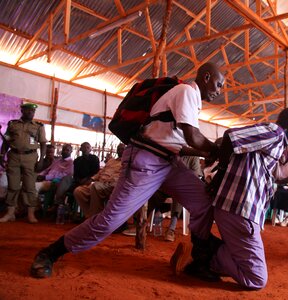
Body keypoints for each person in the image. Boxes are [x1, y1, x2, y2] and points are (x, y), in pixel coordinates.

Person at [30, 62, 225, 280]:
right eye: (218, 84)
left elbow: (177, 142)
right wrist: (218, 149)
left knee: (204, 203)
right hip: (146, 161)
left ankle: (199, 259)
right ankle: (50, 253)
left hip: (168, 162)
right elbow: (193, 137)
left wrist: (206, 153)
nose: (219, 91)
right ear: (206, 77)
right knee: (110, 221)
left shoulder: (192, 101)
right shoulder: (187, 92)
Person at [172, 107, 288, 289]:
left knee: (245, 264)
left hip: (238, 209)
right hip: (240, 210)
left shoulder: (276, 143)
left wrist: (280, 180)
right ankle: (200, 256)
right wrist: (221, 173)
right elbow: (230, 136)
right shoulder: (274, 132)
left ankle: (200, 256)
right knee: (257, 278)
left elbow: (258, 168)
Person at [0, 103, 46, 223]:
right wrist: (1, 155)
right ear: (23, 111)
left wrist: (41, 160)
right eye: (29, 110)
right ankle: (10, 213)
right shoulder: (13, 124)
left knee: (29, 186)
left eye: (33, 111)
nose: (31, 112)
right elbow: (6, 141)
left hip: (30, 157)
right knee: (12, 186)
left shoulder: (39, 126)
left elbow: (43, 144)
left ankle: (31, 214)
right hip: (13, 156)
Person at [73, 144, 125, 218]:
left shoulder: (126, 163)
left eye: (122, 149)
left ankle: (95, 217)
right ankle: (91, 217)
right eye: (119, 149)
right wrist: (92, 179)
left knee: (95, 187)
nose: (120, 151)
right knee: (78, 191)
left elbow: (123, 177)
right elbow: (101, 172)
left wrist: (107, 181)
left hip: (112, 185)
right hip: (100, 183)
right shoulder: (111, 161)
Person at [164, 155, 203, 242]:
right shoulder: (171, 153)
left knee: (179, 192)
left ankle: (171, 228)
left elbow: (196, 176)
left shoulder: (193, 157)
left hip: (182, 188)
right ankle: (146, 220)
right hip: (167, 186)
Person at [35, 143, 74, 210]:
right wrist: (40, 175)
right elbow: (47, 170)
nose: (64, 151)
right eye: (63, 149)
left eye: (67, 150)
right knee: (25, 184)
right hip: (45, 179)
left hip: (54, 182)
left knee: (34, 187)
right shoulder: (58, 160)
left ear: (71, 152)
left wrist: (46, 177)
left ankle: (36, 207)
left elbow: (64, 175)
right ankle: (33, 207)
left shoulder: (70, 163)